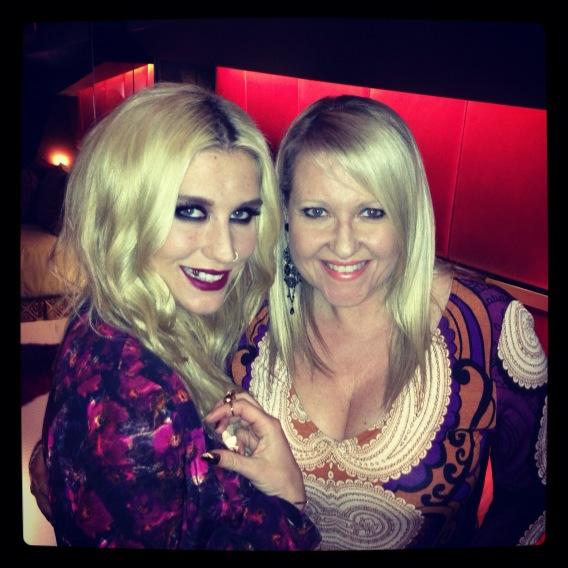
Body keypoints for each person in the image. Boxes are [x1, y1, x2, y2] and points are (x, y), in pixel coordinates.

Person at [225, 95, 548, 549]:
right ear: (285, 217)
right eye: (316, 212)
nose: (343, 245)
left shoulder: (493, 329)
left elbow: (527, 504)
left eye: (371, 212)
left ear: (407, 216)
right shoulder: (245, 316)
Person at [34, 83, 320, 550]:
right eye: (190, 211)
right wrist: (288, 504)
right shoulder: (139, 405)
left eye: (242, 215)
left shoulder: (108, 314)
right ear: (125, 210)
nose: (226, 250)